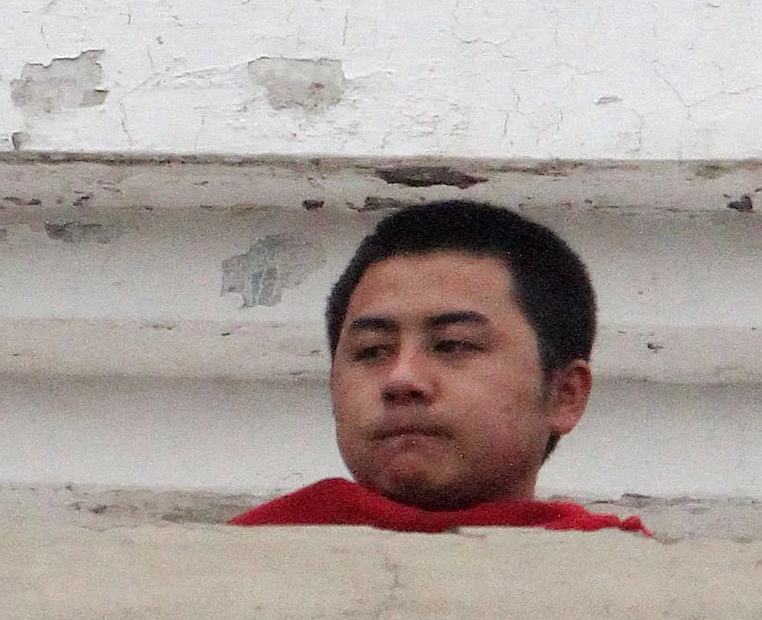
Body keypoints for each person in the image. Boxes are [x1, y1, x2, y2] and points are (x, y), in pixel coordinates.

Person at [232, 199, 644, 534]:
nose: (401, 379)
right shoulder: (240, 565)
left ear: (564, 395)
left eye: (453, 345)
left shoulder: (628, 582)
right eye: (372, 351)